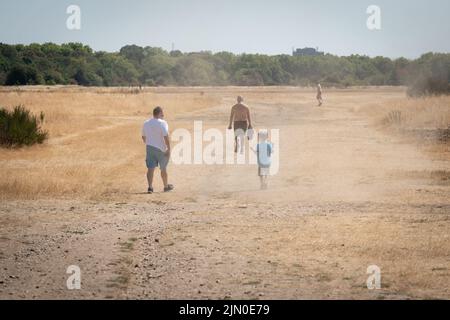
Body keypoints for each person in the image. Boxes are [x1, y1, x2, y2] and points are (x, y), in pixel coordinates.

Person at [142, 107, 174, 194]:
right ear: (159, 113)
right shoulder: (162, 123)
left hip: (149, 148)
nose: (163, 115)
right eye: (162, 113)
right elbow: (166, 136)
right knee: (163, 168)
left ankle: (150, 187)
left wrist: (149, 142)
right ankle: (165, 186)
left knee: (150, 168)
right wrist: (168, 149)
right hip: (161, 149)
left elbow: (143, 137)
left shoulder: (146, 123)